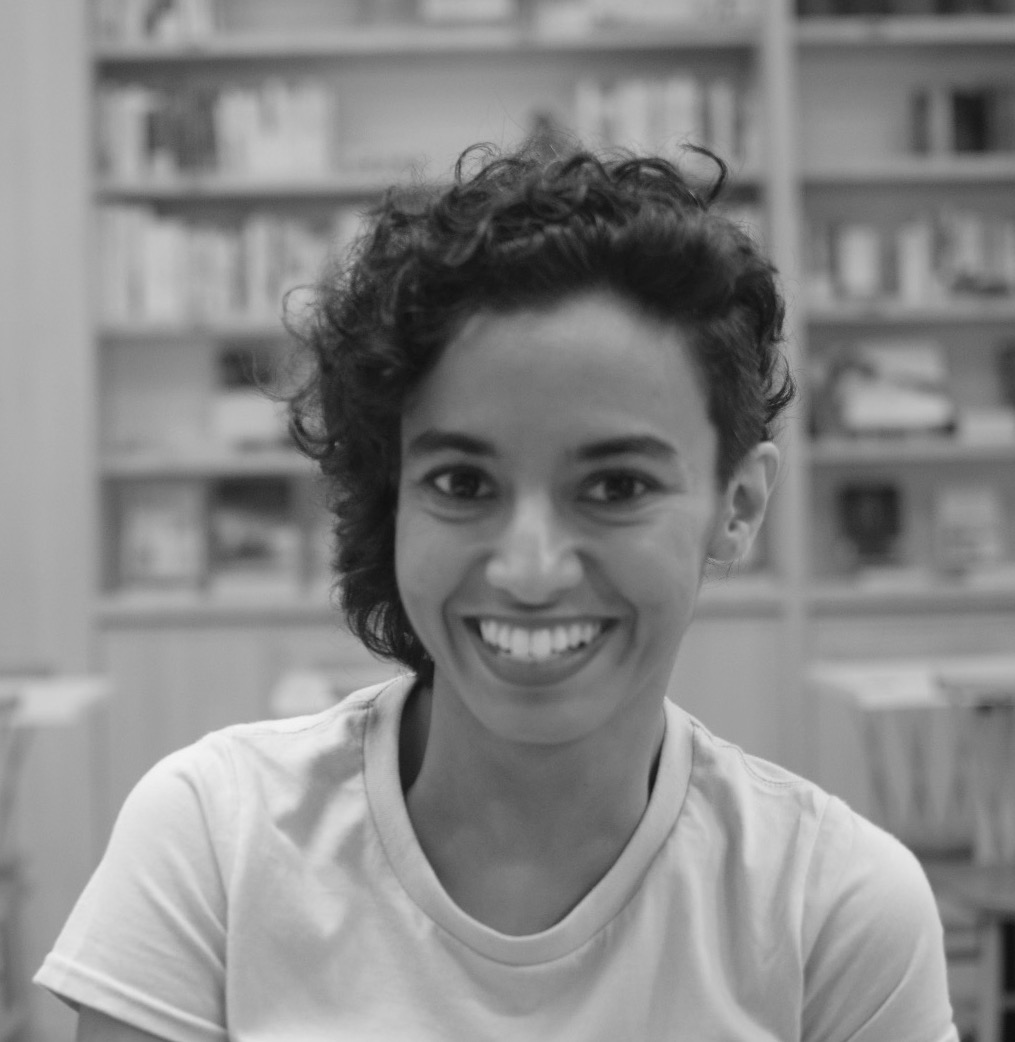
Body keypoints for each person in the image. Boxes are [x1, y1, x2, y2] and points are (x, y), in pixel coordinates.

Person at [36, 144, 958, 1041]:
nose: (529, 570)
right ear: (391, 496)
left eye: (616, 487)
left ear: (739, 503)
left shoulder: (834, 911)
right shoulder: (214, 839)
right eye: (463, 486)